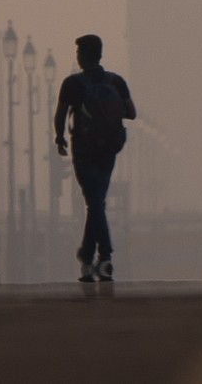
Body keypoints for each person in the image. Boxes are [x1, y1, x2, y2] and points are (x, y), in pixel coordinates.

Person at [55, 34, 136, 281]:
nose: (77, 56)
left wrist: (60, 138)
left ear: (83, 55)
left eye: (78, 52)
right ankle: (87, 257)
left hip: (85, 151)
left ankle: (105, 255)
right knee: (97, 200)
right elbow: (131, 113)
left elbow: (60, 114)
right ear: (100, 54)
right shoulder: (116, 81)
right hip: (109, 150)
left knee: (94, 202)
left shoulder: (73, 84)